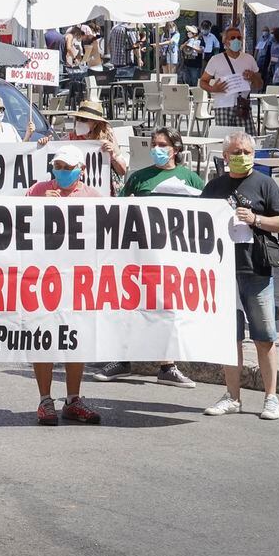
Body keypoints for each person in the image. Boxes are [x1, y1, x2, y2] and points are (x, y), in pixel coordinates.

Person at [95, 127, 202, 388]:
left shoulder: (192, 179)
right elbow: (119, 210)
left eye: (162, 144)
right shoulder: (138, 178)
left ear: (175, 149)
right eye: (154, 143)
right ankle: (121, 360)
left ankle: (167, 366)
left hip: (174, 257)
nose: (157, 148)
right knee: (131, 305)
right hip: (139, 254)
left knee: (167, 309)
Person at [201, 131, 279, 420]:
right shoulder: (214, 187)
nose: (241, 156)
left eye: (246, 151)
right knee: (230, 339)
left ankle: (271, 397)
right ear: (225, 156)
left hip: (256, 269)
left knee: (264, 338)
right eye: (235, 152)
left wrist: (256, 220)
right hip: (222, 272)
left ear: (253, 155)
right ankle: (233, 396)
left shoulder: (265, 185)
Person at [26, 145, 104, 426]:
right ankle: (45, 399)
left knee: (76, 337)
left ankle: (73, 399)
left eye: (68, 167)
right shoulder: (38, 191)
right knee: (44, 337)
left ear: (81, 170)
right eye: (58, 166)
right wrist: (38, 206)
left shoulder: (93, 197)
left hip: (78, 277)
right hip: (44, 277)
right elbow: (16, 226)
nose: (62, 172)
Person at [38, 99, 128, 190]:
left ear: (95, 123)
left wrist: (113, 156)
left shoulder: (107, 137)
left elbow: (122, 171)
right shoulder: (70, 138)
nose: (79, 122)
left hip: (103, 189)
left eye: (84, 119)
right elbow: (53, 152)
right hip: (76, 189)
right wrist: (45, 144)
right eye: (78, 119)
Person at [199, 24, 260, 130]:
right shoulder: (215, 59)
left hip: (243, 106)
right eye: (232, 38)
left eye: (239, 38)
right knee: (225, 141)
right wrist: (213, 89)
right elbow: (203, 81)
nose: (236, 40)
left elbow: (260, 84)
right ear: (225, 41)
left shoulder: (249, 59)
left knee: (247, 141)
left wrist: (253, 76)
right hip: (222, 106)